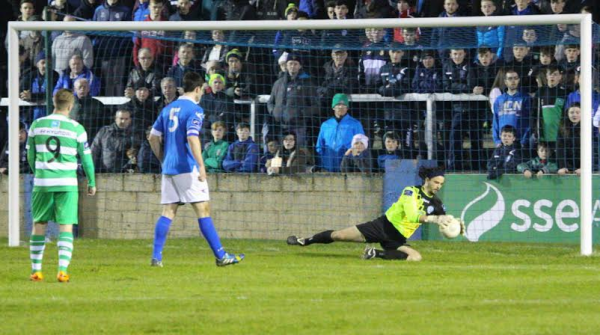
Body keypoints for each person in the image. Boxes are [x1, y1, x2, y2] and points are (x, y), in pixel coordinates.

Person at [148, 71, 244, 267]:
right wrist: (201, 165)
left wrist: (163, 159)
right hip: (187, 166)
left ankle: (156, 257)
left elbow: (152, 137)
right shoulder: (195, 110)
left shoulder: (168, 108)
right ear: (198, 89)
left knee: (168, 211)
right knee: (203, 209)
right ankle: (221, 256)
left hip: (169, 167)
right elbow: (193, 137)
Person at [287, 166, 461, 261]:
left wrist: (457, 225)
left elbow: (446, 221)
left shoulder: (436, 203)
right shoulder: (410, 192)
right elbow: (411, 215)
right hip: (382, 227)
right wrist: (435, 218)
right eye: (436, 182)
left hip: (397, 238)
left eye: (441, 184)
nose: (438, 186)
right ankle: (305, 240)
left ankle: (375, 253)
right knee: (339, 235)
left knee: (415, 257)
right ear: (427, 180)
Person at [26, 89, 96, 282]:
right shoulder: (76, 128)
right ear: (71, 106)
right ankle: (62, 270)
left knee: (39, 224)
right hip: (67, 183)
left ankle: (36, 271)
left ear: (54, 102)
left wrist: (38, 172)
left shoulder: (37, 125)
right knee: (65, 226)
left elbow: (30, 156)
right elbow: (87, 159)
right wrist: (91, 181)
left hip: (43, 182)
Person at [315, 93, 366, 172]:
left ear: (347, 107)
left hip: (347, 167)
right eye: (338, 104)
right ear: (333, 107)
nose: (341, 107)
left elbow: (362, 146)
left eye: (343, 104)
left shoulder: (355, 124)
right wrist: (321, 165)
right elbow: (319, 146)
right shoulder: (326, 125)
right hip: (328, 166)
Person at [91, 108, 141, 172]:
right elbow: (94, 150)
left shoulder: (135, 134)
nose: (123, 121)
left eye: (126, 119)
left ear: (130, 120)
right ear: (115, 119)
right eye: (121, 118)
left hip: (126, 173)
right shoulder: (104, 132)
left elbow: (137, 155)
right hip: (104, 171)